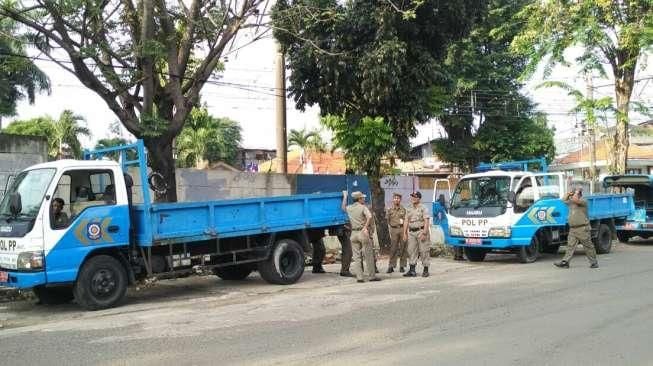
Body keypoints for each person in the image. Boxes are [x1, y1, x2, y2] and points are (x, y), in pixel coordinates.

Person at [342, 190, 381, 283]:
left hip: (353, 234)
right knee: (369, 255)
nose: (364, 199)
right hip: (362, 233)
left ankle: (359, 277)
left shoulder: (349, 208)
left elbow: (343, 208)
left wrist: (345, 196)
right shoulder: (363, 207)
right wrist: (365, 228)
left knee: (357, 257)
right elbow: (370, 217)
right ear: (359, 199)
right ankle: (372, 276)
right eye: (363, 197)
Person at [554, 187, 598, 269]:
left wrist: (576, 192)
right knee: (570, 246)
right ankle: (565, 262)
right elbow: (563, 200)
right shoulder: (571, 203)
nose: (573, 196)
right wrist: (569, 193)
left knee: (588, 246)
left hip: (582, 228)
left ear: (578, 195)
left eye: (575, 194)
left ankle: (594, 262)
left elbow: (575, 200)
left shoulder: (583, 201)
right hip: (573, 229)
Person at [403, 191, 432, 277]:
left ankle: (426, 270)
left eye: (415, 197)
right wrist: (404, 233)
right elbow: (406, 221)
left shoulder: (423, 208)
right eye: (412, 196)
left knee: (424, 251)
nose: (413, 198)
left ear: (419, 198)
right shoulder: (408, 208)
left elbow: (426, 221)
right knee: (411, 251)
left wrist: (424, 233)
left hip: (421, 231)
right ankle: (412, 270)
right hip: (411, 232)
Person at [386, 193, 407, 273]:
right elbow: (387, 220)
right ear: (393, 199)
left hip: (402, 229)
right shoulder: (389, 209)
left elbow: (406, 220)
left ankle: (402, 266)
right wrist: (391, 228)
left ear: (400, 200)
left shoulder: (403, 209)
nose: (396, 199)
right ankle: (391, 266)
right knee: (393, 248)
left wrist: (405, 232)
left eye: (398, 198)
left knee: (403, 248)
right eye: (395, 198)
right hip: (394, 229)